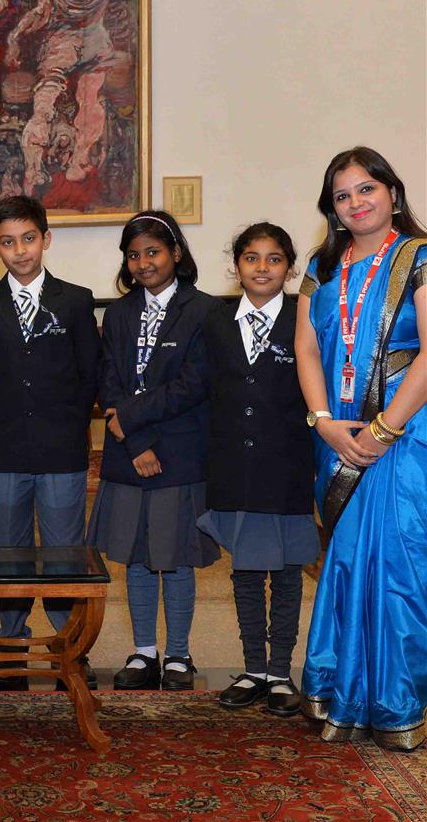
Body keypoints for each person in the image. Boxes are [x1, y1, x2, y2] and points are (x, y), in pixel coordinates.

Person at [296, 147, 427, 750]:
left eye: (366, 189)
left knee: (399, 562)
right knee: (346, 563)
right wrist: (324, 422)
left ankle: (400, 699)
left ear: (392, 193)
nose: (356, 202)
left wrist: (385, 429)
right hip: (337, 434)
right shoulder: (322, 268)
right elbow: (304, 349)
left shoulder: (419, 258)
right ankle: (347, 694)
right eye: (342, 195)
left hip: (406, 434)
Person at [0, 195, 99, 689]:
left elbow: (89, 375)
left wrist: (66, 422)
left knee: (64, 549)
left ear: (45, 238)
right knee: (11, 549)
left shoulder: (76, 300)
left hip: (61, 446)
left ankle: (69, 645)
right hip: (5, 448)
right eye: (7, 242)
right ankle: (12, 639)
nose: (20, 250)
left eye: (28, 238)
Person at [89, 211, 220, 691]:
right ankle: (144, 652)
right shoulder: (120, 313)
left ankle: (180, 655)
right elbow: (109, 380)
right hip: (130, 452)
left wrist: (134, 421)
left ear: (176, 254)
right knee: (139, 557)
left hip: (181, 453)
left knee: (176, 557)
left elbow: (192, 385)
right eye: (134, 254)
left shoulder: (205, 311)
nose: (144, 262)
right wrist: (136, 440)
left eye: (154, 252)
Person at [198, 223, 318, 716]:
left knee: (288, 574)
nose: (262, 267)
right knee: (245, 573)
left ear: (288, 268)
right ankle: (251, 668)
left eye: (273, 259)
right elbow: (202, 391)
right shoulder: (215, 320)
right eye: (252, 258)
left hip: (288, 466)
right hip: (233, 467)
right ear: (236, 265)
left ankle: (279, 671)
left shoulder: (306, 319)